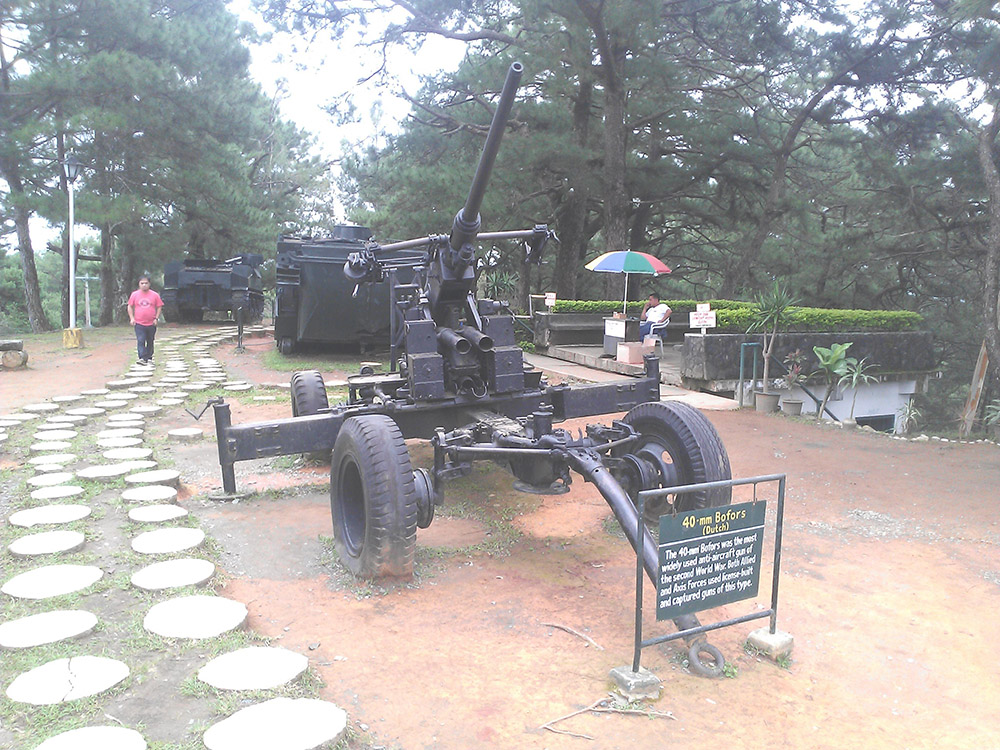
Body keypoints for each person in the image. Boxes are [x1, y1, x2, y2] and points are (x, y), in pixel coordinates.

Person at [127, 275, 164, 364]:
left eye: (146, 283)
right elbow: (130, 306)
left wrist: (156, 318)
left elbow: (159, 306)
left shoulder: (155, 295)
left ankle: (149, 357)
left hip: (151, 323)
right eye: (142, 283)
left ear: (149, 284)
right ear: (139, 284)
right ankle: (142, 358)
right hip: (139, 322)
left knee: (150, 340)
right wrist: (132, 318)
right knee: (141, 340)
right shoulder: (134, 294)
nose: (144, 285)